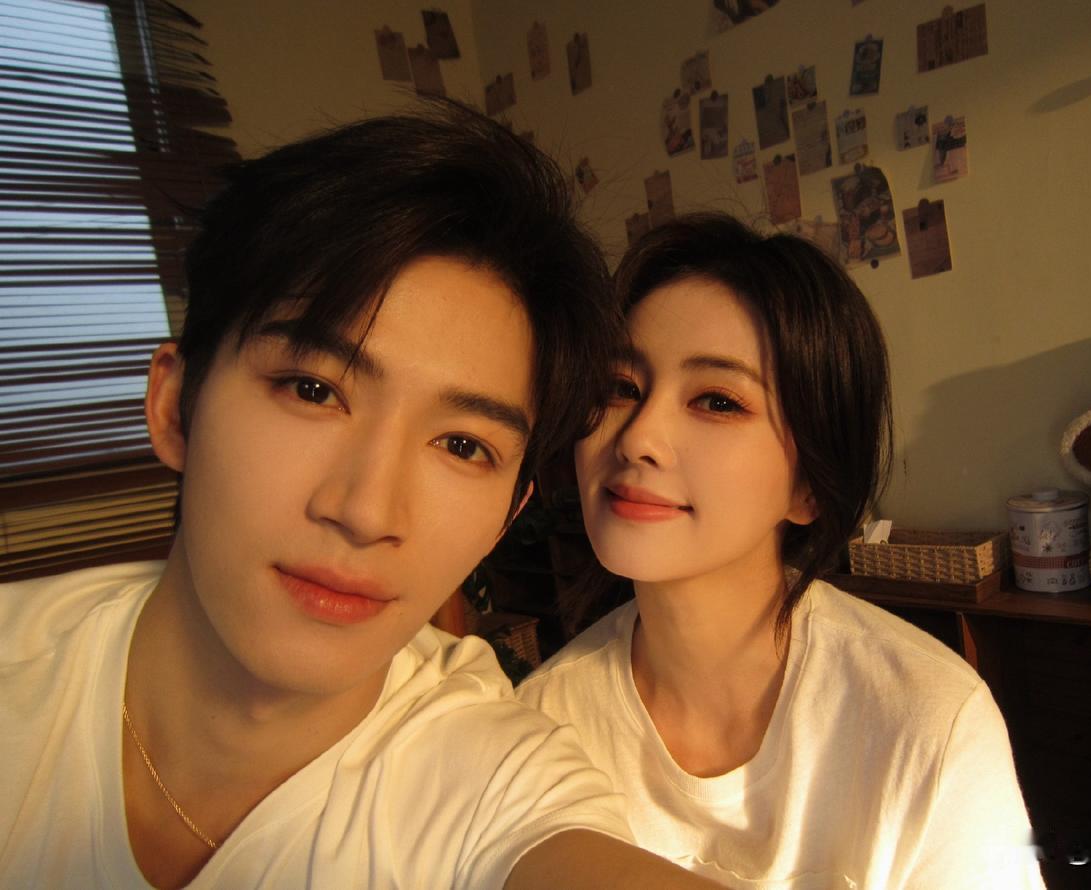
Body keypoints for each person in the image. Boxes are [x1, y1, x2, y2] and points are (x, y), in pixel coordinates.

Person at [0, 97, 724, 890]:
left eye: (463, 445)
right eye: (313, 390)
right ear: (175, 406)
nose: (367, 511)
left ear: (506, 518)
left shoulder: (494, 782)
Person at [517, 213, 1046, 889]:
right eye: (620, 388)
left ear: (809, 487)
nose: (638, 437)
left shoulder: (925, 721)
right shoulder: (541, 728)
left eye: (716, 401)